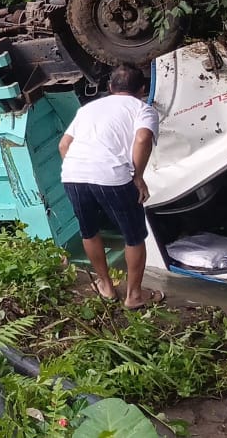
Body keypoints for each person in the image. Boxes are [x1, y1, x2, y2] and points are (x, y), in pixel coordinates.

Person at [58, 63, 164, 310]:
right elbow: (142, 138)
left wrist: (83, 168)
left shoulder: (88, 109)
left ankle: (106, 287)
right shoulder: (143, 109)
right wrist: (137, 176)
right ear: (142, 89)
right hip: (113, 177)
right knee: (134, 236)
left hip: (73, 175)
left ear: (109, 87)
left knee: (89, 231)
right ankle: (134, 296)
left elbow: (63, 145)